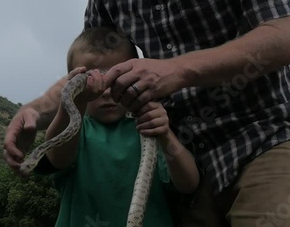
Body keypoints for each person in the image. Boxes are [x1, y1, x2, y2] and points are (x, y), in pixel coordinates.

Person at [5, 0, 290, 226]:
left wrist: (176, 70)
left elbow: (282, 37)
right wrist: (34, 110)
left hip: (262, 136)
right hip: (182, 154)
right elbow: (88, 74)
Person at [33, 27, 200, 227]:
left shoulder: (147, 125)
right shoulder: (78, 131)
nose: (106, 92)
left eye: (117, 79)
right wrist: (76, 101)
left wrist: (165, 134)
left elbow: (189, 184)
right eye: (92, 81)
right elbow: (57, 156)